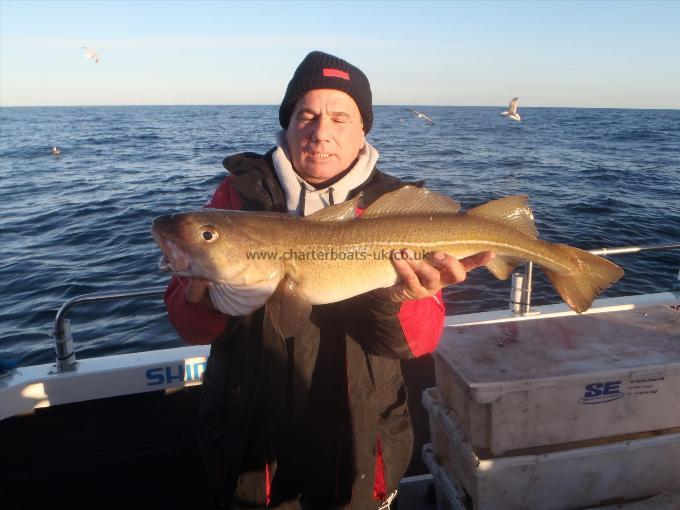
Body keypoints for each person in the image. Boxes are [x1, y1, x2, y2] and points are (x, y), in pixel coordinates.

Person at [164, 51, 492, 509]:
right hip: (251, 446)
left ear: (363, 130)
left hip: (360, 444)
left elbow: (419, 343)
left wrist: (403, 297)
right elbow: (188, 324)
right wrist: (209, 301)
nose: (321, 132)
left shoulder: (400, 206)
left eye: (341, 117)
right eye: (307, 115)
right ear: (288, 124)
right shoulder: (237, 198)